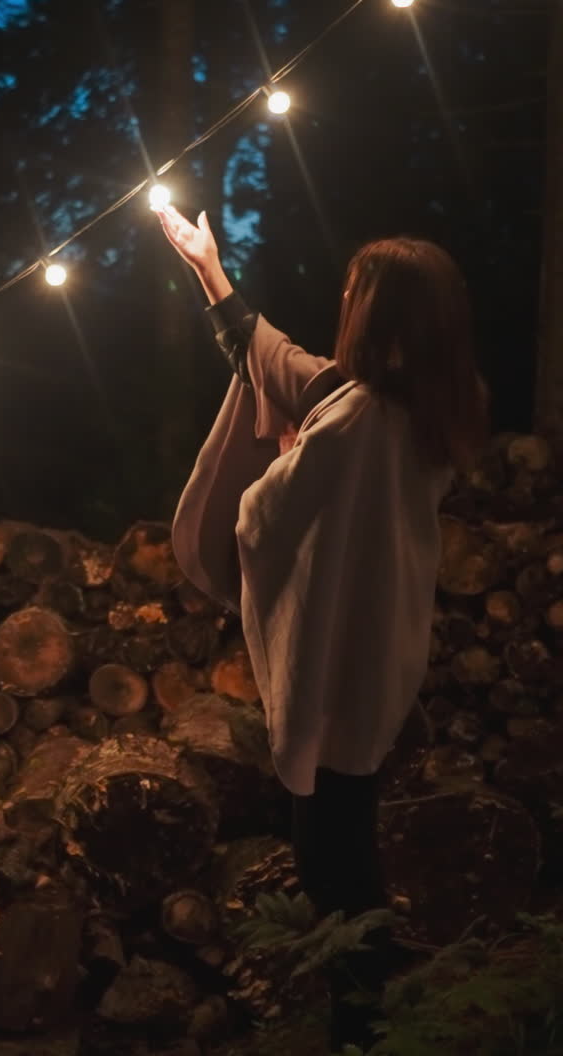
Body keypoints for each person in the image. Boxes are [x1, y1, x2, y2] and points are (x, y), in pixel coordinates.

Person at [156, 203, 489, 1053]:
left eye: (353, 292)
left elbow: (266, 517)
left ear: (376, 314)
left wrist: (285, 456)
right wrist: (209, 268)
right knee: (346, 844)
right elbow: (275, 358)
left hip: (335, 668)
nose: (343, 302)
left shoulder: (362, 418)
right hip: (379, 661)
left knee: (331, 864)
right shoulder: (426, 405)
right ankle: (372, 1020)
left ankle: (364, 1026)